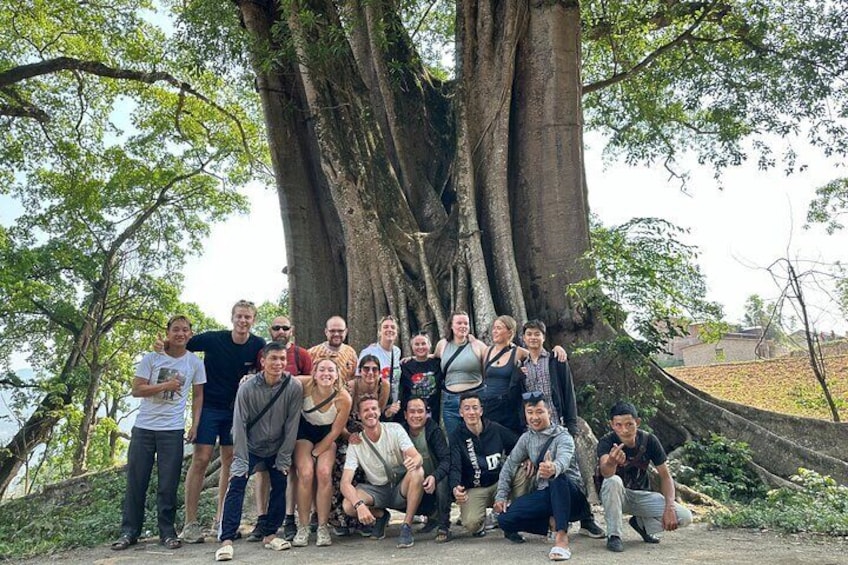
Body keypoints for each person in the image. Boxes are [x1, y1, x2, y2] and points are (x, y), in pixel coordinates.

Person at [111, 315, 206, 551]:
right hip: (144, 428)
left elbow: (198, 396)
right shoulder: (151, 358)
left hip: (172, 430)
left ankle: (167, 532)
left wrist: (194, 424)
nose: (180, 334)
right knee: (137, 481)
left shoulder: (194, 363)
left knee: (168, 484)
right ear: (168, 333)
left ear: (190, 335)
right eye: (176, 329)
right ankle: (129, 531)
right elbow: (136, 389)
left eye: (185, 330)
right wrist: (165, 385)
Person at [177, 300, 266, 543]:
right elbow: (182, 343)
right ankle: (190, 523)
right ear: (232, 318)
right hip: (209, 408)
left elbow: (266, 369)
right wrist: (162, 346)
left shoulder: (258, 345)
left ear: (253, 320)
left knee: (230, 459)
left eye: (248, 317)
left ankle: (221, 520)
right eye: (239, 316)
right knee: (201, 458)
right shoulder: (214, 339)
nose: (243, 321)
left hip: (237, 411)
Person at [214, 342, 303, 562]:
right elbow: (239, 425)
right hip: (250, 446)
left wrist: (283, 458)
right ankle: (226, 540)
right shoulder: (247, 388)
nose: (278, 363)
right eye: (273, 358)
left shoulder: (293, 387)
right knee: (237, 484)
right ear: (263, 361)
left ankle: (270, 534)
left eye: (282, 359)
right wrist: (242, 460)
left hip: (276, 446)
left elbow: (292, 425)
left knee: (280, 483)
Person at [520, 319, 605, 539]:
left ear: (544, 337)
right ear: (524, 338)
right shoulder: (522, 366)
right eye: (529, 334)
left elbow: (568, 392)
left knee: (571, 472)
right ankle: (553, 522)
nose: (533, 338)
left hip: (558, 426)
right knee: (542, 477)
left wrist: (572, 425)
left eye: (537, 334)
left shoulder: (556, 360)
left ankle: (587, 520)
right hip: (536, 430)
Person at [495, 392, 595, 561]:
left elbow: (564, 458)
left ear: (550, 412)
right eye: (530, 412)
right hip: (546, 496)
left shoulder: (563, 436)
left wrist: (554, 467)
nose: (535, 417)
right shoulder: (527, 438)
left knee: (556, 478)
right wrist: (501, 495)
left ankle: (561, 538)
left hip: (572, 497)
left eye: (540, 412)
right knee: (504, 520)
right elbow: (510, 465)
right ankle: (551, 524)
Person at [597, 401, 693, 553]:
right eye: (619, 425)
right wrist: (611, 461)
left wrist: (670, 507)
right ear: (612, 425)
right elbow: (606, 472)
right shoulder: (607, 441)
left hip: (642, 495)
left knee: (685, 517)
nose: (625, 430)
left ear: (638, 422)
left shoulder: (649, 441)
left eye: (629, 424)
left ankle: (642, 525)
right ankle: (614, 535)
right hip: (616, 496)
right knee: (613, 481)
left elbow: (666, 476)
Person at [249, 315, 312, 543]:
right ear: (270, 330)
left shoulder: (301, 354)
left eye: (285, 327)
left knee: (290, 469)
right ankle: (261, 518)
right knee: (261, 470)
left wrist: (291, 380)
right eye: (276, 328)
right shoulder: (262, 353)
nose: (281, 331)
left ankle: (288, 518)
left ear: (292, 330)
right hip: (265, 423)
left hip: (293, 418)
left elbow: (311, 380)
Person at [341, 394, 425, 548]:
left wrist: (413, 461)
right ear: (359, 416)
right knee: (348, 505)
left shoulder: (395, 429)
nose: (370, 413)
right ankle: (381, 515)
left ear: (379, 411)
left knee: (417, 472)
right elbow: (345, 483)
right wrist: (359, 505)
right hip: (377, 490)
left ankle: (406, 525)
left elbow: (417, 456)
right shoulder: (356, 443)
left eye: (374, 408)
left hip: (400, 487)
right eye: (366, 410)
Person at [449, 392, 529, 537]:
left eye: (475, 408)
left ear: (481, 410)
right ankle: (484, 521)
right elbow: (454, 466)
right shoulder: (456, 436)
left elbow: (518, 444)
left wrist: (527, 458)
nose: (471, 412)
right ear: (461, 413)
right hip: (475, 487)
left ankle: (513, 515)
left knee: (524, 471)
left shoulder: (495, 429)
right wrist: (455, 487)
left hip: (500, 483)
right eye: (467, 408)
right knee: (471, 524)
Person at [328, 355, 391, 536]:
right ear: (359, 371)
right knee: (341, 468)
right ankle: (341, 520)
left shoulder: (383, 386)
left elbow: (375, 414)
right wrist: (349, 436)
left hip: (367, 435)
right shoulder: (350, 387)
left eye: (374, 369)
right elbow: (339, 420)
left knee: (367, 469)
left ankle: (367, 519)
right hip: (346, 432)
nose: (370, 373)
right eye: (366, 369)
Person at [291, 359, 352, 547]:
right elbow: (282, 379)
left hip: (327, 435)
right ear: (314, 374)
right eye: (322, 370)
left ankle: (323, 527)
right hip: (304, 433)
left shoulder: (344, 398)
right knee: (306, 473)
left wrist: (317, 453)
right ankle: (303, 526)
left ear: (337, 375)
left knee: (324, 473)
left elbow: (335, 431)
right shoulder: (304, 384)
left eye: (331, 370)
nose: (326, 373)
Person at [402, 397, 452, 542]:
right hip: (412, 483)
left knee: (443, 479)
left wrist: (435, 476)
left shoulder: (433, 430)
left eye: (420, 411)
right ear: (405, 414)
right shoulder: (401, 431)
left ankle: (443, 524)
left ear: (426, 414)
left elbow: (446, 459)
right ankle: (431, 516)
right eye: (412, 411)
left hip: (434, 484)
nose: (416, 416)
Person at [434, 311, 488, 439]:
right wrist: (411, 358)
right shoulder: (443, 345)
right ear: (451, 326)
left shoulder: (477, 345)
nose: (463, 326)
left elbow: (496, 358)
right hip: (451, 402)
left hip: (475, 398)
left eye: (466, 323)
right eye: (459, 323)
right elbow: (432, 358)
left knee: (479, 437)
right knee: (455, 440)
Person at [358, 315, 403, 421]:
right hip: (375, 404)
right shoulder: (370, 352)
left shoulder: (397, 351)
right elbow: (359, 379)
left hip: (393, 404)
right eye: (385, 327)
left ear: (397, 332)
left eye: (393, 327)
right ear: (379, 332)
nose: (389, 329)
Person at [399, 333, 442, 425]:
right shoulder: (405, 365)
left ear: (429, 345)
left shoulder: (438, 363)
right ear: (411, 346)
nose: (420, 347)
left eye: (423, 343)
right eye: (417, 344)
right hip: (413, 412)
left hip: (433, 411)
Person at [309, 316, 358, 382]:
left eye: (340, 331)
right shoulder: (312, 353)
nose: (336, 334)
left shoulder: (351, 353)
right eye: (332, 331)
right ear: (326, 332)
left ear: (346, 332)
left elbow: (355, 379)